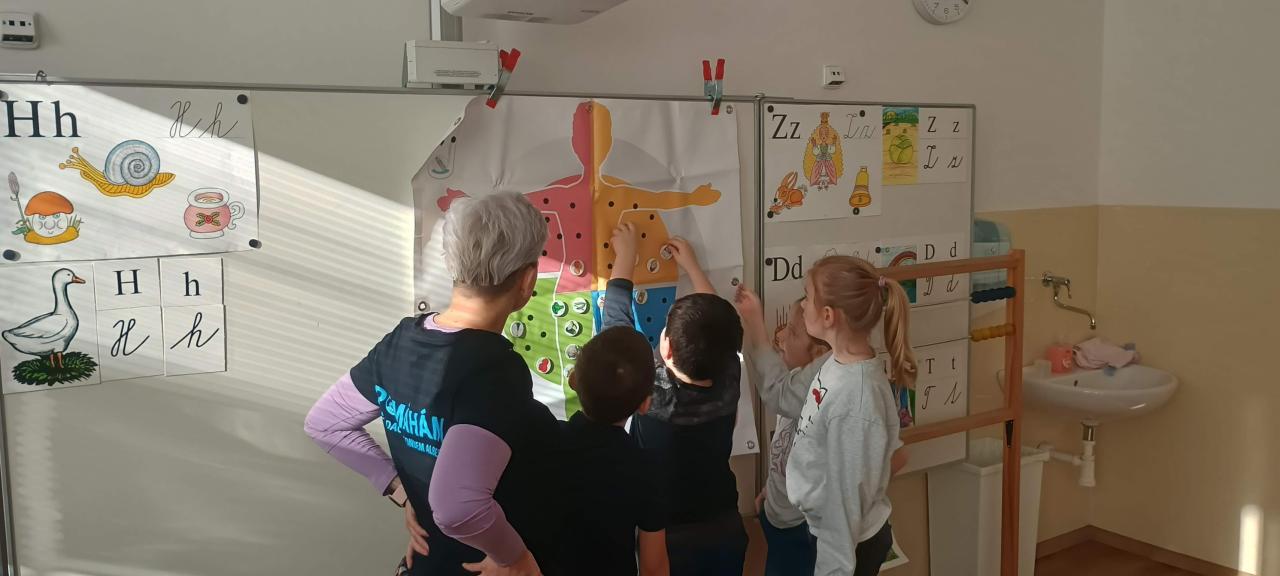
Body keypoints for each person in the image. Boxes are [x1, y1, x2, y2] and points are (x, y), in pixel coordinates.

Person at [304, 192, 561, 576]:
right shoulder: (497, 370)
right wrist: (515, 558)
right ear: (528, 280)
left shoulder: (401, 340)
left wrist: (401, 490)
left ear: (453, 264)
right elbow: (458, 507)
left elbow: (325, 424)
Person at [600, 222, 747, 576]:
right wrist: (694, 267)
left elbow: (616, 329)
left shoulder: (652, 392)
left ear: (664, 350)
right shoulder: (730, 372)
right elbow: (719, 327)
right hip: (724, 520)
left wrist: (626, 258)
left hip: (666, 533)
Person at [788, 255, 917, 576]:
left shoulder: (856, 399)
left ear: (828, 316)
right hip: (830, 529)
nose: (802, 305)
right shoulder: (838, 363)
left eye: (807, 297)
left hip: (846, 542)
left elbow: (845, 501)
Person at [559, 326, 670, 576]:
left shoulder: (544, 438)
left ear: (574, 380)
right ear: (645, 404)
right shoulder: (645, 469)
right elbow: (654, 568)